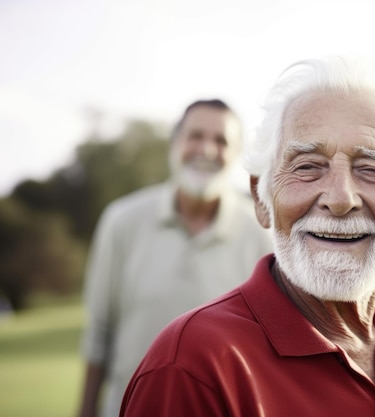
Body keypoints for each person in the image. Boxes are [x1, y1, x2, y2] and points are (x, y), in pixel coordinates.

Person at [118, 56, 375, 417]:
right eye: (307, 167)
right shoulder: (191, 365)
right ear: (261, 198)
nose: (339, 199)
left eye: (372, 169)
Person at [77, 99, 273, 417]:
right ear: (175, 144)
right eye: (195, 136)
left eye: (221, 141)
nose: (207, 150)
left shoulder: (263, 232)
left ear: (236, 155)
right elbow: (99, 333)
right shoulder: (121, 220)